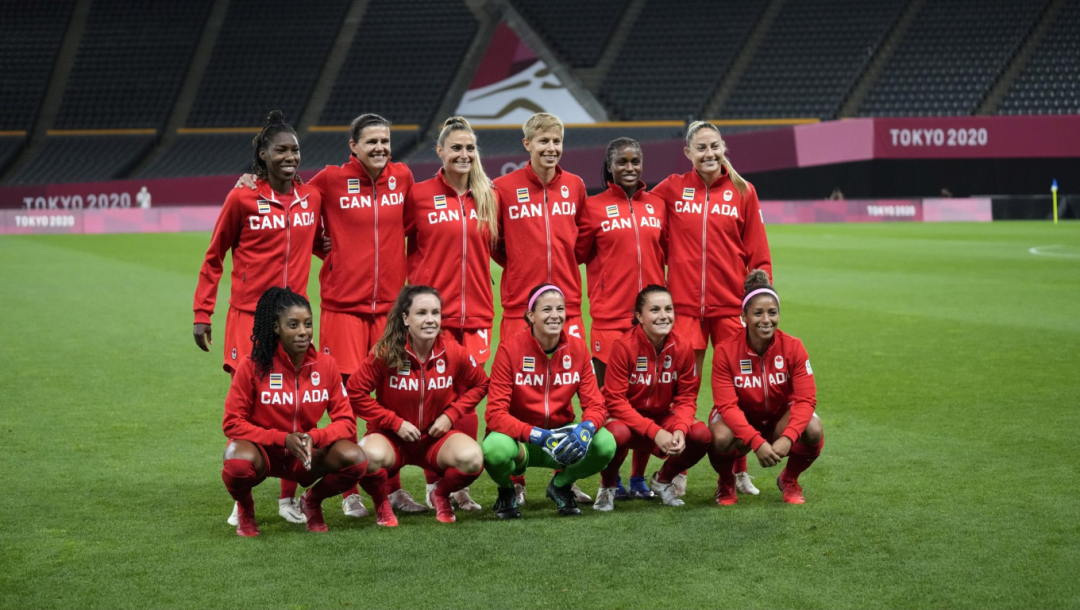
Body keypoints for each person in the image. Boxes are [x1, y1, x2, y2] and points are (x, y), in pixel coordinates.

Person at [237, 113, 425, 516]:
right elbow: (291, 193)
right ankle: (337, 490)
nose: (380, 148)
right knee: (331, 400)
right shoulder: (329, 180)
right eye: (371, 141)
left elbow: (406, 229)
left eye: (386, 141)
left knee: (388, 398)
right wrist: (251, 179)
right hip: (343, 311)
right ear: (353, 146)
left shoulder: (403, 178)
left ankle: (389, 488)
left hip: (389, 311)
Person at [193, 111, 321, 525]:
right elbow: (214, 256)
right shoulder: (242, 197)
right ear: (262, 155)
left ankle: (288, 496)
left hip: (293, 321)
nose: (290, 156)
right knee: (249, 406)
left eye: (295, 149)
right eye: (281, 149)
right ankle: (241, 493)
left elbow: (327, 243)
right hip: (247, 318)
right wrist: (202, 312)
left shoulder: (311, 197)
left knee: (296, 404)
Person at [651, 120, 772, 497]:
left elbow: (759, 256)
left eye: (714, 146)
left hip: (730, 308)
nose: (709, 154)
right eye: (701, 148)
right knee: (681, 392)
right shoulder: (671, 189)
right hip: (684, 308)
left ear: (724, 148)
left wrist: (758, 303)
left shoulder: (742, 191)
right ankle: (680, 467)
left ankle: (736, 472)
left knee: (739, 392)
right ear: (687, 153)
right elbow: (638, 214)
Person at [491, 112, 590, 506]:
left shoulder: (576, 186)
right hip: (520, 305)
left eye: (556, 142)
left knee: (571, 391)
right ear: (527, 145)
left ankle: (564, 474)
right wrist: (520, 270)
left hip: (568, 306)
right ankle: (515, 479)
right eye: (543, 142)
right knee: (517, 394)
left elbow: (580, 242)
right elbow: (497, 244)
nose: (551, 149)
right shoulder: (503, 187)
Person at [403, 117, 498, 511]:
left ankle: (458, 484)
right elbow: (388, 241)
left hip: (476, 313)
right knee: (433, 398)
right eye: (455, 148)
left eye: (470, 148)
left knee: (467, 398)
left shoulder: (489, 196)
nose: (463, 155)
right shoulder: (419, 195)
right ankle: (431, 482)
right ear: (439, 152)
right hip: (430, 317)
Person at [220, 287, 367, 536]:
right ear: (277, 328)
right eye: (293, 325)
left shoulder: (326, 365)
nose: (303, 332)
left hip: (304, 455)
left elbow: (346, 422)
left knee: (355, 458)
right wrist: (280, 438)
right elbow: (232, 423)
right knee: (236, 462)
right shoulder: (252, 365)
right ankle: (245, 508)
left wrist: (316, 437)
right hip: (262, 451)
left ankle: (311, 502)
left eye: (308, 324)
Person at [348, 286, 489, 525]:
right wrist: (394, 422)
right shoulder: (386, 352)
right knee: (365, 458)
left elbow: (481, 384)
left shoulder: (452, 351)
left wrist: (450, 415)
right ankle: (382, 503)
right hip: (392, 439)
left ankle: (440, 495)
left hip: (435, 440)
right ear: (405, 318)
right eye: (421, 313)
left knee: (473, 458)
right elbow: (354, 391)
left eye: (435, 313)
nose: (430, 320)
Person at [575, 137, 666, 500]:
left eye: (636, 161)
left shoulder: (657, 205)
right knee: (612, 407)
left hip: (651, 324)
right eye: (622, 162)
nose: (630, 167)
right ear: (609, 166)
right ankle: (608, 481)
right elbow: (578, 254)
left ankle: (639, 478)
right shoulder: (593, 207)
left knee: (649, 401)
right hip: (610, 323)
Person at [482, 284, 616, 518]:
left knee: (606, 443)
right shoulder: (509, 350)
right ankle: (506, 491)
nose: (555, 315)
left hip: (561, 441)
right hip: (521, 442)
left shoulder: (578, 349)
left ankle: (561, 484)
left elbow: (596, 405)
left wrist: (587, 428)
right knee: (493, 449)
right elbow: (494, 414)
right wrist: (536, 434)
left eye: (560, 309)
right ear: (531, 315)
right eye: (546, 309)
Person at [708, 270, 824, 505]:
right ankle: (726, 482)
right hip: (741, 418)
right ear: (744, 316)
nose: (766, 320)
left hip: (778, 418)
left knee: (813, 427)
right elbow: (726, 406)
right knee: (719, 436)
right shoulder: (725, 350)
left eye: (772, 313)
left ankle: (789, 479)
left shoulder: (793, 347)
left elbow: (806, 400)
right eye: (758, 313)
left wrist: (789, 438)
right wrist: (756, 442)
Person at [593, 286, 711, 510]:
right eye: (655, 310)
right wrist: (655, 432)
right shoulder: (622, 346)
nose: (664, 315)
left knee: (701, 435)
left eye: (669, 309)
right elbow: (615, 402)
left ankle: (663, 480)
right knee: (617, 433)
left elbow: (687, 396)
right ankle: (607, 486)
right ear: (639, 316)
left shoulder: (683, 346)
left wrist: (680, 428)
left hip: (660, 417)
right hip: (624, 420)